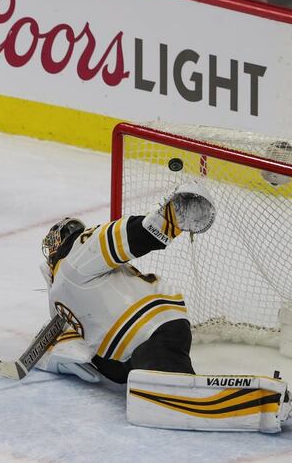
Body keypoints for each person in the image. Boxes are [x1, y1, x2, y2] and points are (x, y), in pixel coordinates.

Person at [36, 181, 292, 433]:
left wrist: (169, 219)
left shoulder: (77, 256)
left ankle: (268, 401)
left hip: (154, 329)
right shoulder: (61, 291)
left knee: (166, 390)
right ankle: (171, 387)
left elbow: (124, 237)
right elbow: (75, 336)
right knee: (136, 382)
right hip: (128, 352)